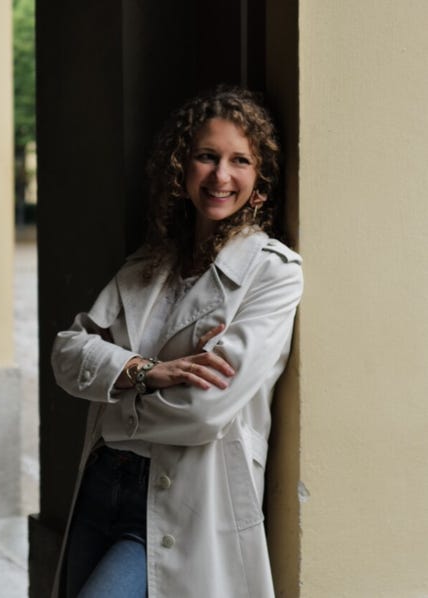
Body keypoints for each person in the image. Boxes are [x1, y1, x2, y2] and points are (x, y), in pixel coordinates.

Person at [51, 86, 303, 598]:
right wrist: (149, 371)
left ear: (260, 183)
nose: (220, 175)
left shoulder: (273, 274)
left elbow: (203, 411)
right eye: (206, 156)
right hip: (102, 486)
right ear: (181, 168)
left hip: (182, 498)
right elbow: (67, 352)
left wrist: (115, 380)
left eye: (240, 161)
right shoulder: (148, 264)